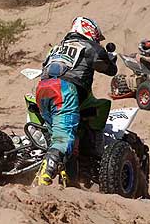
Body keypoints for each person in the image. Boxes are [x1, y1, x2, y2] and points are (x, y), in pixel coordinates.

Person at [36, 16, 118, 186]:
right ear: (89, 31)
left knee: (66, 139)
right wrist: (111, 58)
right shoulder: (90, 47)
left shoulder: (56, 49)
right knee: (63, 139)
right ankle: (43, 178)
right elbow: (110, 70)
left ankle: (69, 181)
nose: (97, 39)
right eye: (96, 35)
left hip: (42, 89)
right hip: (65, 90)